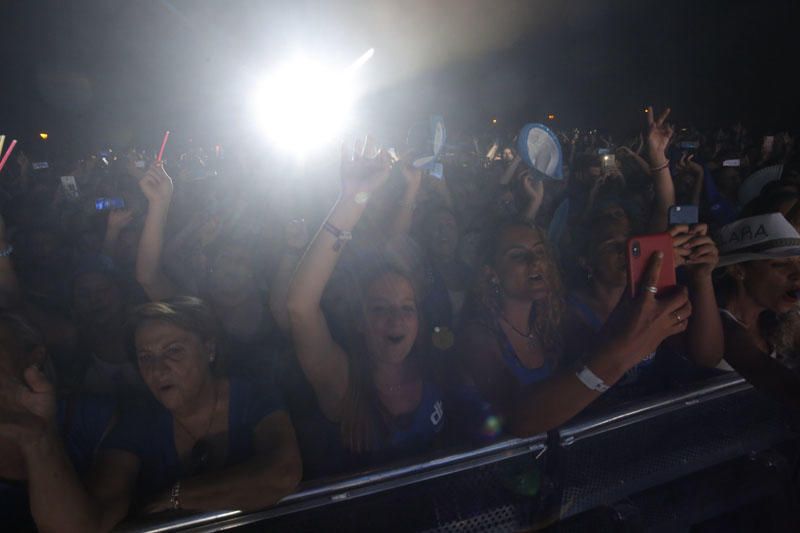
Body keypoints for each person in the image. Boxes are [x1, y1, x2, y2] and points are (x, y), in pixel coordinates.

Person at [0, 297, 301, 532]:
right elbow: (85, 526)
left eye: (173, 351)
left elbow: (281, 474)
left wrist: (174, 496)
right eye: (145, 357)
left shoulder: (255, 395)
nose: (158, 369)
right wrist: (38, 437)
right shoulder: (139, 422)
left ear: (209, 349)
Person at [286, 144, 447, 474]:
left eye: (407, 307)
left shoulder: (432, 359)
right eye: (379, 309)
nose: (396, 319)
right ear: (360, 321)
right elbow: (300, 306)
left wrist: (413, 189)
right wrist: (351, 199)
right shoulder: (342, 380)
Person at [457, 221, 694, 438]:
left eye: (540, 252)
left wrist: (652, 270)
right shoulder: (476, 336)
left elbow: (599, 348)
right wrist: (627, 351)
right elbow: (518, 417)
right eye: (518, 256)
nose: (536, 261)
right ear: (492, 274)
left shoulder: (547, 322)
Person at [714, 213, 800, 409]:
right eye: (779, 264)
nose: (798, 275)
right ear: (739, 271)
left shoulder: (781, 320)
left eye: (799, 262)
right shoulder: (719, 325)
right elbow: (776, 382)